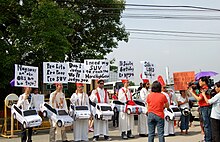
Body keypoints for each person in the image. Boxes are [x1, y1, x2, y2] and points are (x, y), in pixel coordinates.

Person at [190, 77, 212, 142]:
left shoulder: (205, 89)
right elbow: (199, 96)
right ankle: (207, 138)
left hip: (205, 108)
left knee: (206, 125)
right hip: (203, 107)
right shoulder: (202, 89)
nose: (199, 83)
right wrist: (194, 90)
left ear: (204, 82)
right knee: (205, 124)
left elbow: (199, 99)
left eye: (200, 81)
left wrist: (192, 93)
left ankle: (208, 139)